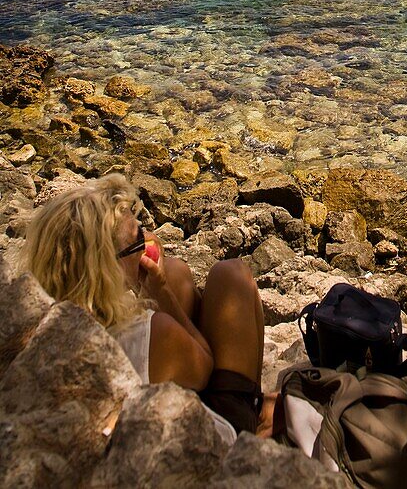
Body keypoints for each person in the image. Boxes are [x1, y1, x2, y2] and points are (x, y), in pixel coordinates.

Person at [24, 175, 267, 443]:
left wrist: (144, 261)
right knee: (231, 275)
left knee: (175, 272)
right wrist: (160, 291)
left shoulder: (42, 326)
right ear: (108, 268)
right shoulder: (150, 333)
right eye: (137, 239)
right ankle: (253, 423)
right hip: (208, 441)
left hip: (131, 407)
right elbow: (204, 364)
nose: (147, 240)